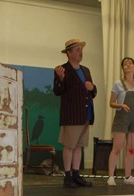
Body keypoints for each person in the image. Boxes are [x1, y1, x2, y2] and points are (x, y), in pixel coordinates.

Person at [53, 38, 97, 188]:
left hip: (86, 113)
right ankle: (67, 176)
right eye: (77, 50)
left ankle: (76, 175)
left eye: (81, 49)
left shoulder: (86, 70)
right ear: (69, 53)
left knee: (79, 146)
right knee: (69, 146)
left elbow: (93, 92)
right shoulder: (62, 69)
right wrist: (60, 79)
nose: (80, 52)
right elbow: (58, 91)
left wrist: (92, 88)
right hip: (72, 114)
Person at [106, 57, 134, 186]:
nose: (127, 65)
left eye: (130, 63)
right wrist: (121, 105)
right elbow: (111, 103)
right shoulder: (118, 84)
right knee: (117, 148)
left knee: (131, 149)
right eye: (125, 64)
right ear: (123, 68)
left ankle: (128, 176)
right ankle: (111, 176)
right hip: (122, 118)